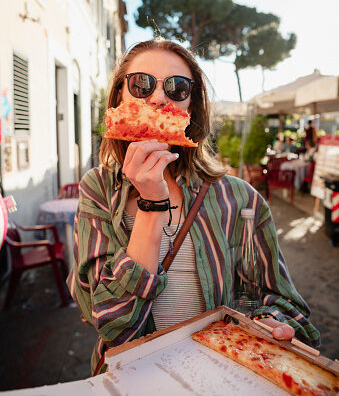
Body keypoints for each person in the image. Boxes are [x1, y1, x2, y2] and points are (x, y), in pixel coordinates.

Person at [67, 39, 320, 374]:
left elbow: (283, 305)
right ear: (119, 99)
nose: (158, 98)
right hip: (131, 379)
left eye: (177, 88)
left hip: (220, 377)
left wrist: (269, 323)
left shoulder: (240, 200)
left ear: (191, 110)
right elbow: (114, 327)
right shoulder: (97, 189)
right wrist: (151, 204)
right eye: (141, 84)